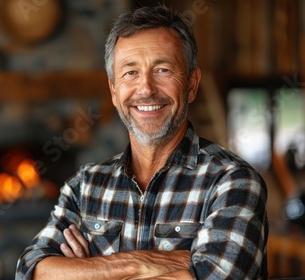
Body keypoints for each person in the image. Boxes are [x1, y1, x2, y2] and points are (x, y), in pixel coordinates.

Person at [16, 5, 268, 280]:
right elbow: (31, 270)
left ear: (192, 84)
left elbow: (217, 277)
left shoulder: (233, 183)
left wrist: (87, 270)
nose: (146, 89)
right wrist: (139, 264)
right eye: (130, 72)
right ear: (114, 91)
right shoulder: (84, 186)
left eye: (162, 69)